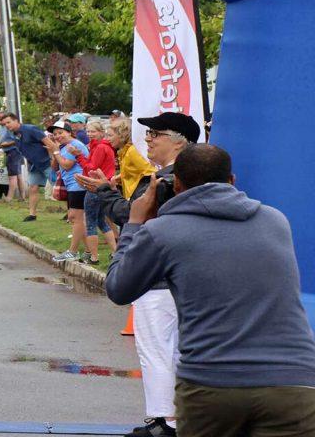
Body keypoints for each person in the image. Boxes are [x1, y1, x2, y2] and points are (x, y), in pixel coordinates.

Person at [105, 144, 315, 437]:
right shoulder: (275, 221)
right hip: (295, 382)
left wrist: (135, 223)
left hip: (212, 383)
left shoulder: (162, 232)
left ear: (176, 183)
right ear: (232, 180)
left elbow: (118, 288)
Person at [76, 112, 200, 437]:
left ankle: (166, 423)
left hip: (158, 276)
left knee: (158, 351)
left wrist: (105, 194)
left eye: (155, 133)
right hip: (194, 278)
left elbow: (134, 216)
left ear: (177, 141)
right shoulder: (197, 177)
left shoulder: (165, 181)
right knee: (179, 351)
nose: (148, 139)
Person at [70, 120, 116, 264]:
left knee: (90, 222)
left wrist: (78, 156)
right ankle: (116, 252)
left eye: (93, 131)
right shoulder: (102, 146)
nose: (90, 134)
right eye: (88, 131)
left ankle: (94, 257)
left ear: (101, 132)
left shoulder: (100, 147)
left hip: (95, 187)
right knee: (101, 221)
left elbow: (92, 167)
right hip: (103, 186)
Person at [43, 121, 90, 263]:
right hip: (72, 185)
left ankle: (73, 252)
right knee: (76, 219)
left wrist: (56, 151)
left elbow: (67, 165)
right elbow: (55, 166)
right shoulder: (62, 147)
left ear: (69, 132)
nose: (57, 136)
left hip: (79, 184)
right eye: (55, 134)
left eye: (60, 132)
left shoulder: (74, 145)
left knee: (75, 218)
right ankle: (89, 251)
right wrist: (54, 151)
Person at [0, 113, 51, 222]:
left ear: (16, 120)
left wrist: (56, 158)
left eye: (8, 122)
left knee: (59, 188)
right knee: (33, 188)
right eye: (4, 124)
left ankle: (72, 214)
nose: (7, 125)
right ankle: (32, 215)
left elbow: (49, 143)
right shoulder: (13, 134)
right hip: (34, 165)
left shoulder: (31, 129)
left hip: (48, 163)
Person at [0, 112, 25, 202]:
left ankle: (9, 197)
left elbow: (17, 139)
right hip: (9, 151)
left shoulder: (10, 127)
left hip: (13, 151)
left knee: (12, 175)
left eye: (1, 118)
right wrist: (1, 144)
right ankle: (22, 197)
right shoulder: (1, 127)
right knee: (18, 175)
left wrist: (6, 144)